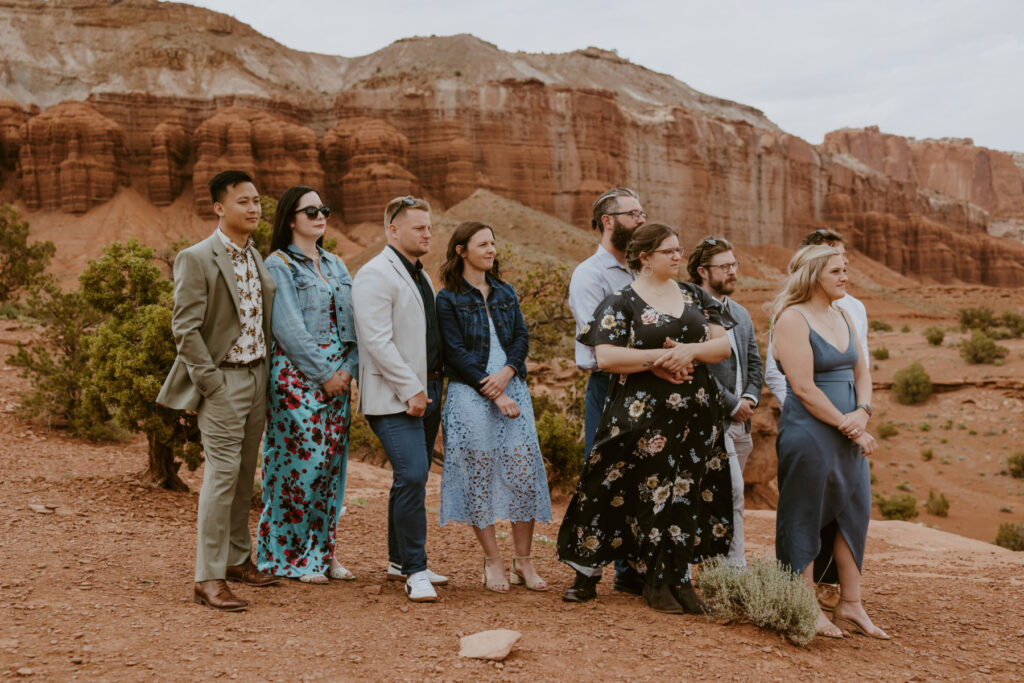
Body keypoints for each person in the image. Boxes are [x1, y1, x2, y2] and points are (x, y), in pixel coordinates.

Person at [557, 223, 735, 614]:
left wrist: (688, 350)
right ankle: (634, 577)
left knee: (685, 492)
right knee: (638, 489)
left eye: (679, 249)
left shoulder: (692, 294)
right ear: (645, 258)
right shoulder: (621, 301)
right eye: (669, 251)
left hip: (696, 413)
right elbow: (605, 356)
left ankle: (677, 578)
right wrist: (657, 360)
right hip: (644, 415)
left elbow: (723, 346)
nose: (678, 256)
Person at [157, 170, 280, 611]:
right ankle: (207, 577)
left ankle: (237, 559)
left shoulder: (254, 256)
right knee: (222, 475)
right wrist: (211, 384)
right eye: (243, 201)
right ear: (219, 207)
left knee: (245, 472)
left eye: (257, 200)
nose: (254, 208)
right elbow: (185, 329)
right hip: (222, 379)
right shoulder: (196, 257)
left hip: (256, 376)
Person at [770, 244, 889, 640]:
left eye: (845, 270)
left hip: (848, 430)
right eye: (836, 271)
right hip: (810, 432)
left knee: (854, 511)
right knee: (805, 512)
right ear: (813, 275)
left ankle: (851, 605)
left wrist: (865, 410)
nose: (845, 277)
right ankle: (803, 604)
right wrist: (851, 425)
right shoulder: (792, 319)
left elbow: (863, 370)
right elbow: (803, 388)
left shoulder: (842, 314)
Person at [435, 221, 553, 593]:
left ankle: (524, 561)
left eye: (493, 244)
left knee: (523, 473)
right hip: (471, 395)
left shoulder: (505, 292)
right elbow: (453, 351)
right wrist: (494, 390)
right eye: (483, 244)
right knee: (477, 476)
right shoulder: (448, 298)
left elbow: (521, 336)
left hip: (511, 386)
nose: (491, 250)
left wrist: (507, 373)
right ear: (461, 250)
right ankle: (493, 561)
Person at [255, 186, 359, 584]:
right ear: (291, 218)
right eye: (310, 210)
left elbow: (352, 327)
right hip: (297, 382)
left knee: (331, 470)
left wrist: (347, 369)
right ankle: (286, 558)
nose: (320, 216)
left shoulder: (335, 264)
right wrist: (325, 375)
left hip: (339, 380)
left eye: (324, 209)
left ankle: (322, 552)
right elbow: (287, 329)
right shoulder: (278, 264)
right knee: (297, 471)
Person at [351, 196, 448, 603]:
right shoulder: (375, 274)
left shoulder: (420, 275)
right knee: (411, 475)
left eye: (429, 227)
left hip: (428, 390)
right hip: (396, 396)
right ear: (393, 230)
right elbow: (376, 341)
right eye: (418, 228)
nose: (428, 234)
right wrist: (411, 389)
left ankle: (396, 561)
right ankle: (414, 569)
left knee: (413, 477)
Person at [566, 186, 648, 597]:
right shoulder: (590, 275)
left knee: (638, 475)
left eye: (643, 212)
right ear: (608, 221)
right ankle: (586, 573)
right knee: (601, 474)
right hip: (609, 385)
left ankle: (630, 569)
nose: (641, 220)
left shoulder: (643, 273)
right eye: (633, 214)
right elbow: (603, 345)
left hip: (647, 386)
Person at [690, 237, 762, 568]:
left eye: (735, 265)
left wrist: (749, 398)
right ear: (703, 271)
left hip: (741, 423)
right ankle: (735, 571)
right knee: (732, 493)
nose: (733, 272)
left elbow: (754, 362)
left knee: (720, 497)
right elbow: (698, 369)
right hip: (709, 420)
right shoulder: (692, 313)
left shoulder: (741, 314)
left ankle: (710, 563)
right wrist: (732, 404)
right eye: (725, 266)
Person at [765, 229, 868, 407]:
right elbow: (775, 372)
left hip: (851, 420)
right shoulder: (791, 314)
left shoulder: (854, 309)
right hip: (808, 417)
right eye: (835, 254)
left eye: (843, 254)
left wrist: (861, 412)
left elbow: (862, 367)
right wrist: (797, 409)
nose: (845, 260)